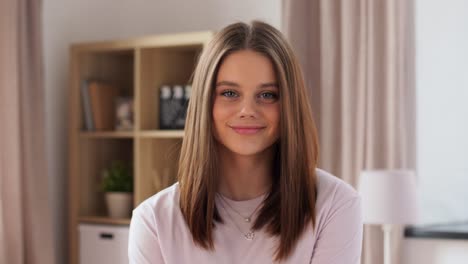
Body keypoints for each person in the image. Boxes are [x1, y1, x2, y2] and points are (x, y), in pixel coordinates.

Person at [128, 21, 363, 264]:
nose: (247, 110)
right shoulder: (154, 220)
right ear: (205, 103)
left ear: (290, 106)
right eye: (229, 93)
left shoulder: (335, 204)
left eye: (268, 95)